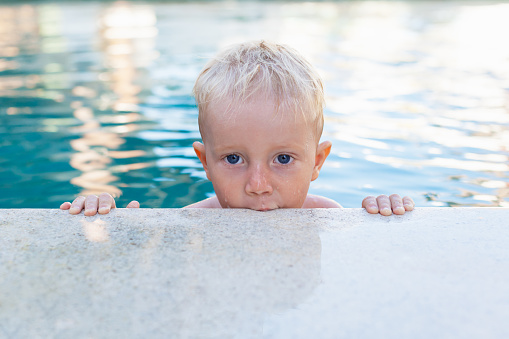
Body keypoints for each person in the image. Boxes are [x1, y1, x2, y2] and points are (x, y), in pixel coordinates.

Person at [61, 40, 414, 216]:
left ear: (318, 161)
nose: (258, 185)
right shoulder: (195, 219)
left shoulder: (326, 214)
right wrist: (107, 217)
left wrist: (384, 211)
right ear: (205, 162)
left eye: (284, 158)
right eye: (233, 159)